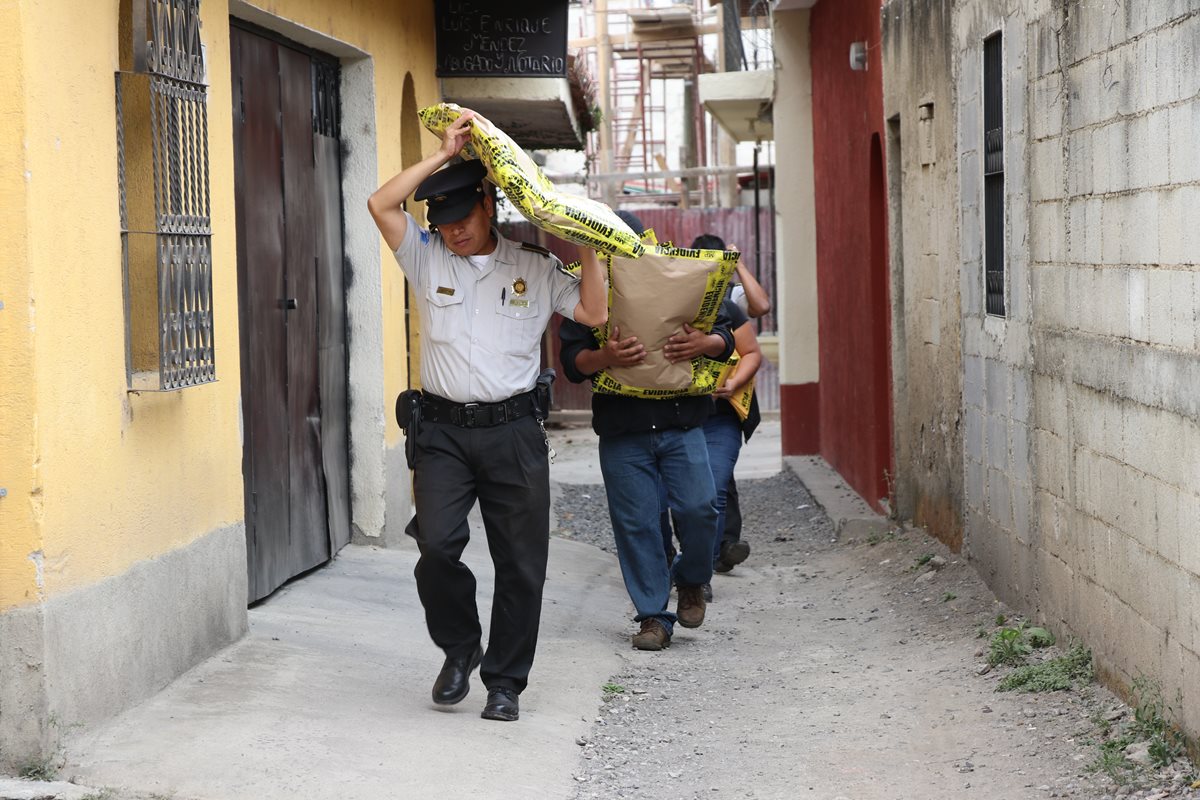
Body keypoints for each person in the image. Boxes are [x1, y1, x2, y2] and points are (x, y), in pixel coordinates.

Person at [367, 109, 607, 722]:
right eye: (442, 224)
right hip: (444, 432)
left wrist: (591, 244)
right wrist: (445, 155)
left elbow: (594, 314)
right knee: (437, 548)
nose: (452, 233)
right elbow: (380, 203)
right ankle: (459, 647)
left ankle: (505, 683)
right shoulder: (425, 260)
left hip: (514, 433)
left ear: (489, 205)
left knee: (522, 565)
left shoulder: (533, 265)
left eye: (461, 219)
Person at [559, 216, 735, 652]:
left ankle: (692, 578)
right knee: (636, 526)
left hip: (681, 422)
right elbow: (572, 361)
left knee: (700, 509)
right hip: (623, 429)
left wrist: (704, 344)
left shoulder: (675, 272)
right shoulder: (587, 284)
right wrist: (606, 355)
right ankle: (654, 616)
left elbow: (726, 336)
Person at [689, 235, 764, 586]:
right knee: (695, 494)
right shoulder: (678, 303)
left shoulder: (730, 300)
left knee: (715, 485)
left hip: (723, 414)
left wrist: (732, 385)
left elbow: (760, 310)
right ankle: (708, 552)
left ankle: (704, 567)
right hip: (683, 416)